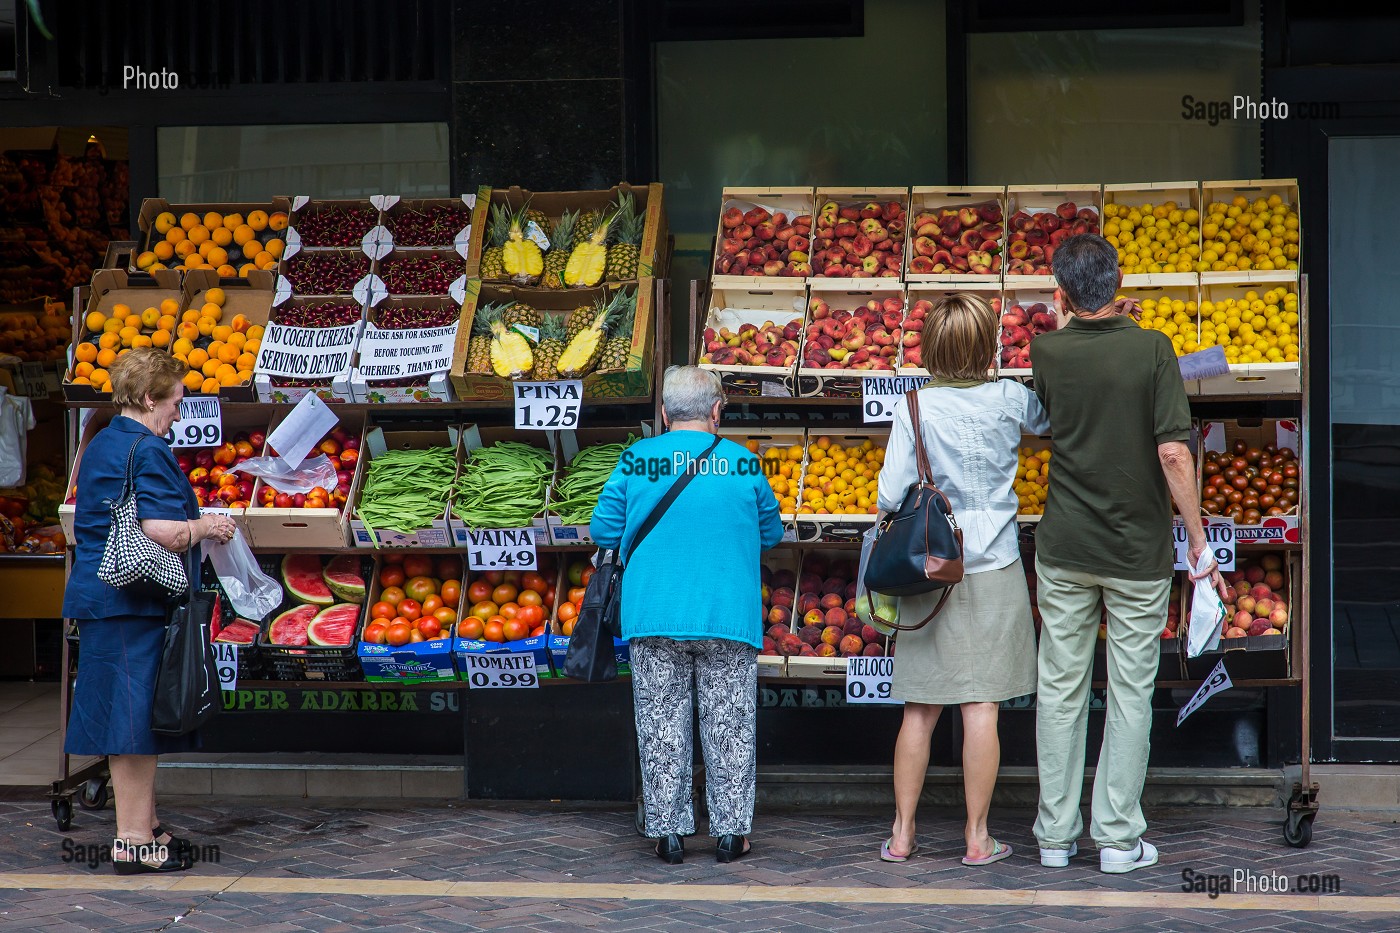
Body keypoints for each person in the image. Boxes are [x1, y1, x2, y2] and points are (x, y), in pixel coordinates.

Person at [1030, 234, 1228, 874]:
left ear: (1060, 293)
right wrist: (1199, 540)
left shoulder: (1045, 350)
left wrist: (1082, 318)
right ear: (1119, 285)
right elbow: (1174, 451)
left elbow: (1074, 357)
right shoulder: (1153, 349)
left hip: (1064, 546)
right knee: (1129, 691)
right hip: (1136, 549)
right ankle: (1116, 838)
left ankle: (1055, 838)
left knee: (1060, 688)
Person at [877, 294, 1050, 866]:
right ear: (986, 346)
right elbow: (1054, 422)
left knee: (919, 709)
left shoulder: (914, 406)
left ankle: (902, 834)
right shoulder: (1011, 399)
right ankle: (977, 838)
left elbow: (888, 494)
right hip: (994, 564)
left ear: (931, 348)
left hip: (929, 569)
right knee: (982, 707)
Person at [591, 365, 783, 865]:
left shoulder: (636, 460)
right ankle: (730, 834)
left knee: (660, 725)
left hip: (653, 615)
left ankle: (669, 834)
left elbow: (604, 530)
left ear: (663, 413)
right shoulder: (742, 464)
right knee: (730, 726)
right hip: (727, 617)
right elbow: (771, 533)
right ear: (717, 411)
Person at [63, 348, 237, 874]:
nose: (180, 413)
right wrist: (208, 527)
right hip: (130, 602)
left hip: (103, 596)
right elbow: (160, 530)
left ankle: (149, 826)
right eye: (176, 401)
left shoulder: (102, 440)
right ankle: (134, 842)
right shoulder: (149, 448)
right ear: (148, 398)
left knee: (131, 717)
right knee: (132, 723)